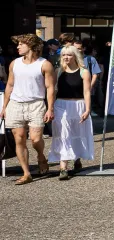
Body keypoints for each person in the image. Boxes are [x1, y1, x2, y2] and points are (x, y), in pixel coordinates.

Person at [2, 34, 55, 184]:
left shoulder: (44, 64)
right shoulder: (14, 63)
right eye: (17, 44)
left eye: (21, 44)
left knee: (35, 139)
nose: (17, 47)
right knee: (19, 138)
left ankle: (40, 156)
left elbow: (50, 88)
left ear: (31, 46)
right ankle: (26, 174)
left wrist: (50, 108)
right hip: (16, 104)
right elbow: (10, 85)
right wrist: (4, 106)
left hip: (36, 104)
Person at [49, 45, 94, 180]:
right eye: (63, 55)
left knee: (77, 133)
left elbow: (87, 92)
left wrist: (87, 109)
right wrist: (50, 107)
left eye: (69, 55)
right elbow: (54, 90)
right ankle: (63, 167)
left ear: (75, 56)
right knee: (63, 134)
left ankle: (76, 158)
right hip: (61, 105)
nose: (66, 57)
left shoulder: (84, 72)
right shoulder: (58, 71)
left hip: (78, 104)